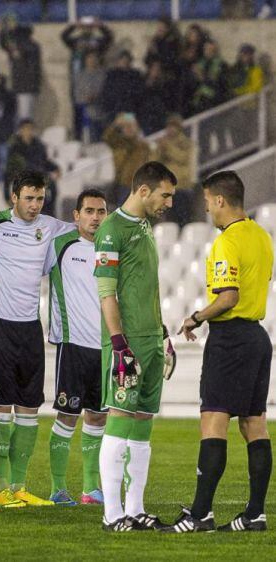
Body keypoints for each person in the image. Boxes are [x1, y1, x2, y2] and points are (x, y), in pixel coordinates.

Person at [167, 171, 273, 533]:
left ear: (220, 201)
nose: (207, 208)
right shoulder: (261, 236)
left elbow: (229, 296)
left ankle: (199, 515)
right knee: (254, 425)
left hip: (231, 339)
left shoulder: (226, 242)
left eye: (209, 201)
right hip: (258, 338)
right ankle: (255, 514)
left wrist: (195, 317)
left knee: (213, 421)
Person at [0, 171, 73, 509]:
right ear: (14, 198)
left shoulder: (51, 227)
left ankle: (20, 486)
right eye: (29, 198)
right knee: (0, 410)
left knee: (28, 409)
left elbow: (90, 228)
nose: (35, 205)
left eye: (40, 199)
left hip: (30, 329)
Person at [94, 161, 178, 532]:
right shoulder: (111, 230)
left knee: (143, 424)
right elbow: (107, 294)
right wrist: (119, 347)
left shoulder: (143, 227)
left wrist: (162, 334)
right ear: (144, 191)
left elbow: (146, 287)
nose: (170, 203)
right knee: (119, 422)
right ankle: (112, 514)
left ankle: (135, 508)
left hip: (150, 341)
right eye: (166, 195)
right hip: (125, 345)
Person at [44, 189, 109, 506]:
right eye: (89, 211)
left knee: (98, 417)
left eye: (101, 211)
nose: (95, 217)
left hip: (105, 348)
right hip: (72, 345)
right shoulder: (59, 245)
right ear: (77, 215)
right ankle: (58, 489)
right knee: (67, 416)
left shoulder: (113, 250)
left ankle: (91, 489)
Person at [61, 17, 113, 140]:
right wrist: (74, 26)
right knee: (77, 109)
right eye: (85, 26)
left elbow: (109, 38)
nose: (87, 28)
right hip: (78, 80)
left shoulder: (97, 41)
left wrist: (100, 26)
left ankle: (97, 138)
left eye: (89, 26)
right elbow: (64, 37)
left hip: (94, 79)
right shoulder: (76, 41)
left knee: (95, 112)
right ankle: (78, 137)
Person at [5, 119, 60, 210]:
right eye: (25, 129)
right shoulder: (15, 147)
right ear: (21, 130)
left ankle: (48, 212)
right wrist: (7, 195)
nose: (28, 131)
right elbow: (9, 169)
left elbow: (44, 161)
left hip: (39, 176)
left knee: (51, 187)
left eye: (30, 129)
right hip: (23, 178)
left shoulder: (39, 145)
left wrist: (55, 168)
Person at [152, 114, 196, 226]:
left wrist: (168, 147)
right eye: (169, 126)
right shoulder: (163, 143)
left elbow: (183, 158)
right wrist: (159, 149)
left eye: (174, 126)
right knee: (170, 220)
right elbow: (154, 162)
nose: (170, 129)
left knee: (184, 219)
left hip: (182, 186)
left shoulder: (186, 143)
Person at [0, 16, 42, 122]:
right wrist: (3, 29)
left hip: (26, 87)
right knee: (21, 116)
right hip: (20, 86)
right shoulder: (20, 45)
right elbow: (4, 44)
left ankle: (26, 137)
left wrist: (6, 31)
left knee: (25, 117)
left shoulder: (31, 46)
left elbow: (26, 57)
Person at [102, 113, 150, 205]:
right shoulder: (118, 143)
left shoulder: (142, 145)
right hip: (121, 183)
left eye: (131, 126)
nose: (129, 129)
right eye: (126, 127)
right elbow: (107, 136)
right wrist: (116, 125)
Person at [102, 50, 144, 126]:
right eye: (123, 60)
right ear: (118, 61)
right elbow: (107, 92)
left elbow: (139, 93)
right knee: (115, 132)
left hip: (129, 110)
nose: (125, 62)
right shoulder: (111, 74)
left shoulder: (135, 74)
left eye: (127, 60)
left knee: (128, 129)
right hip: (114, 111)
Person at [73, 51, 106, 143]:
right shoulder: (80, 76)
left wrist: (97, 96)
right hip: (88, 114)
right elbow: (77, 95)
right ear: (85, 60)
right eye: (89, 58)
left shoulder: (103, 75)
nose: (92, 61)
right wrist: (86, 98)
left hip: (103, 112)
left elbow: (107, 92)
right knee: (92, 141)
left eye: (94, 58)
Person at [191, 40, 230, 115]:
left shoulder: (222, 65)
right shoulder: (200, 62)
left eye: (211, 50)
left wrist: (202, 77)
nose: (207, 52)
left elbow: (221, 85)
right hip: (199, 103)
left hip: (213, 105)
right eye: (205, 49)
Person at [138, 62, 173, 136]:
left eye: (158, 70)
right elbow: (139, 98)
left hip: (160, 117)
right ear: (149, 70)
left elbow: (166, 99)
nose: (156, 71)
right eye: (154, 69)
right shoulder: (141, 82)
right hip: (147, 118)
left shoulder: (163, 84)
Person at [144, 17, 182, 81]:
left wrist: (156, 52)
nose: (159, 29)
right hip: (154, 72)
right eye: (159, 27)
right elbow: (146, 60)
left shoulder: (172, 42)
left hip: (168, 73)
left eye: (162, 27)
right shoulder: (156, 41)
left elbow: (171, 61)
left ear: (168, 29)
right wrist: (150, 50)